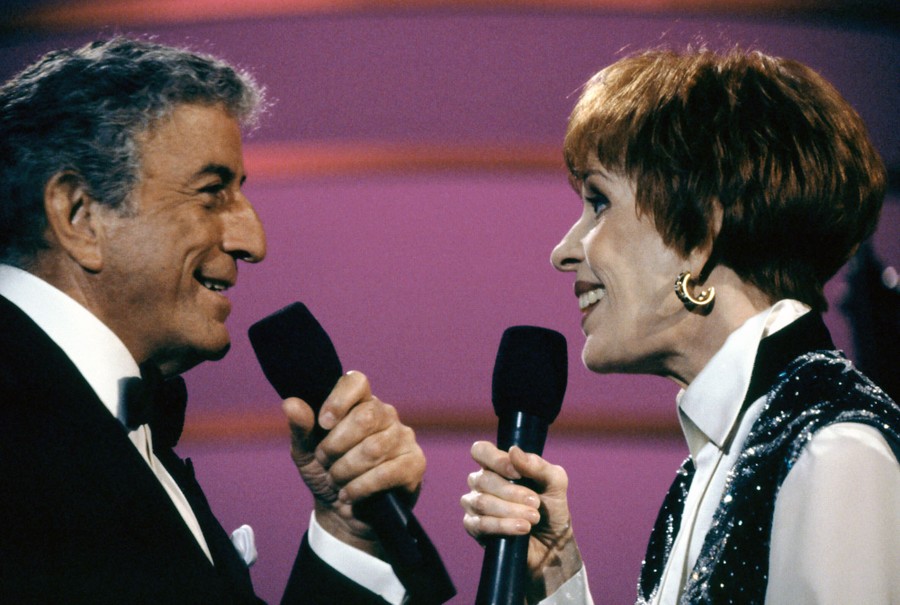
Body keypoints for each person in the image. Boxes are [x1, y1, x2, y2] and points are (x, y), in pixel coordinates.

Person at [461, 48, 900, 604]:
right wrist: (555, 570)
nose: (563, 251)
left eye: (599, 202)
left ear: (699, 238)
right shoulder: (719, 461)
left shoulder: (832, 454)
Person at [0, 37, 426, 604]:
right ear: (80, 216)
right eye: (211, 193)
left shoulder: (121, 425)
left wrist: (349, 529)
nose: (253, 241)